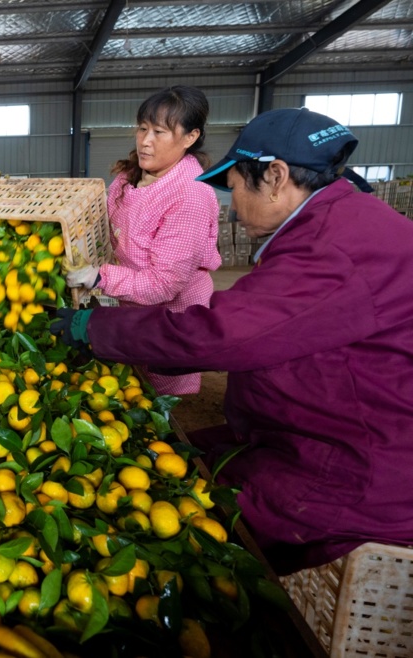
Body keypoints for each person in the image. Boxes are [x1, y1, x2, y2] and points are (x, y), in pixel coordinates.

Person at [52, 107, 413, 575]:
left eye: (237, 186)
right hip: (304, 431)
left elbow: (221, 335)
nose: (233, 205)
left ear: (276, 176)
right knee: (175, 457)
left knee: (194, 539)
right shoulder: (341, 223)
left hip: (352, 467)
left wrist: (90, 330)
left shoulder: (336, 250)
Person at [68, 86, 221, 395]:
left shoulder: (190, 195)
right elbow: (101, 225)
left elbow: (164, 284)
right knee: (134, 382)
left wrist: (100, 276)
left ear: (190, 137)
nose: (145, 141)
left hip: (173, 315)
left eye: (160, 132)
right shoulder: (129, 177)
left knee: (161, 395)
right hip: (133, 305)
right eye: (142, 129)